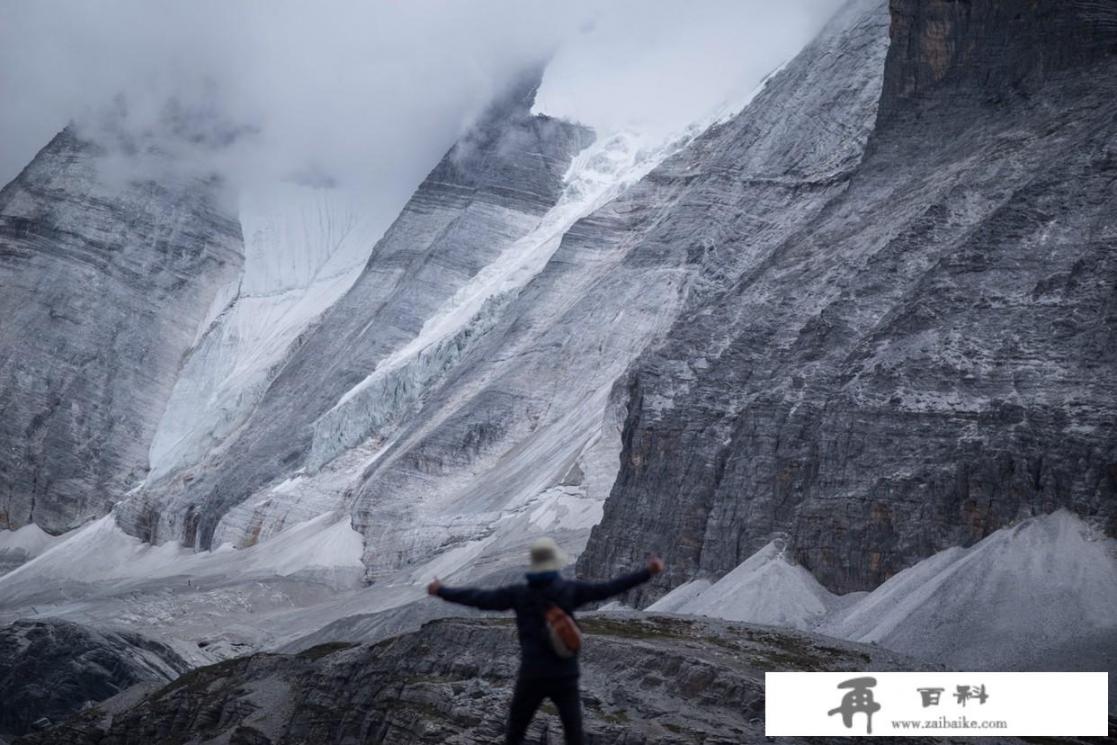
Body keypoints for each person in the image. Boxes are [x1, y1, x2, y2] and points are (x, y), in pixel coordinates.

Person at [427, 537, 664, 745]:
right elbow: (610, 588)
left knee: (515, 733)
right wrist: (648, 571)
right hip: (565, 676)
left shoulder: (519, 595)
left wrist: (441, 591)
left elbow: (478, 598)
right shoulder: (569, 591)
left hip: (532, 674)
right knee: (574, 735)